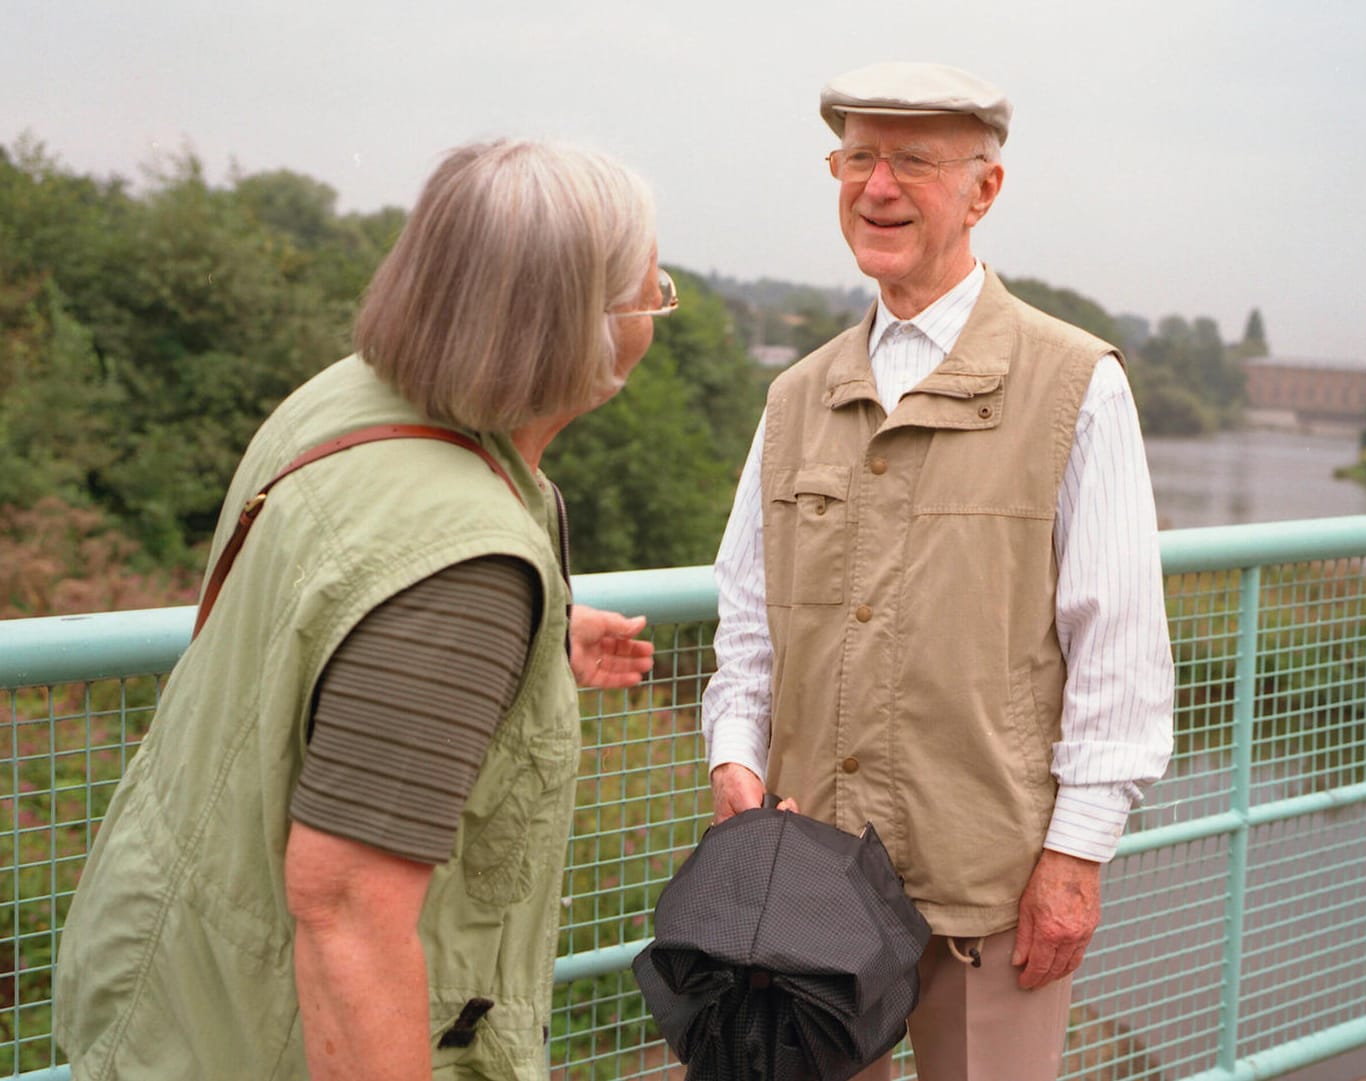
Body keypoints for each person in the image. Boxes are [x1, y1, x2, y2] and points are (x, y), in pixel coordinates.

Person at [56, 139, 669, 1081]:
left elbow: (334, 627)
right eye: (648, 288)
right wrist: (466, 626)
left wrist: (528, 639)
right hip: (265, 1045)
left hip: (173, 985)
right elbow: (345, 910)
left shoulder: (343, 402)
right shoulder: (456, 573)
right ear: (570, 328)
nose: (659, 302)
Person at [701, 62, 1175, 1081]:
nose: (877, 186)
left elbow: (1118, 644)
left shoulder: (1073, 384)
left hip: (989, 885)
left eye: (913, 162)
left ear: (983, 191)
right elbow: (747, 615)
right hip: (804, 882)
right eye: (857, 158)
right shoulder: (794, 397)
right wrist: (733, 752)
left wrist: (1074, 859)